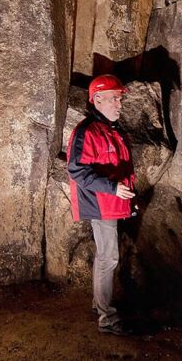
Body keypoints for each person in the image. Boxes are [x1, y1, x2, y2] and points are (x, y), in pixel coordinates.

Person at [67, 74, 136, 335]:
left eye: (119, 99)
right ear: (97, 100)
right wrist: (112, 188)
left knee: (105, 255)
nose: (119, 104)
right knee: (109, 257)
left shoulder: (111, 129)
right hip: (102, 202)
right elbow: (76, 170)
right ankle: (107, 318)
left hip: (112, 201)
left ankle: (99, 305)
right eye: (114, 99)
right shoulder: (87, 131)